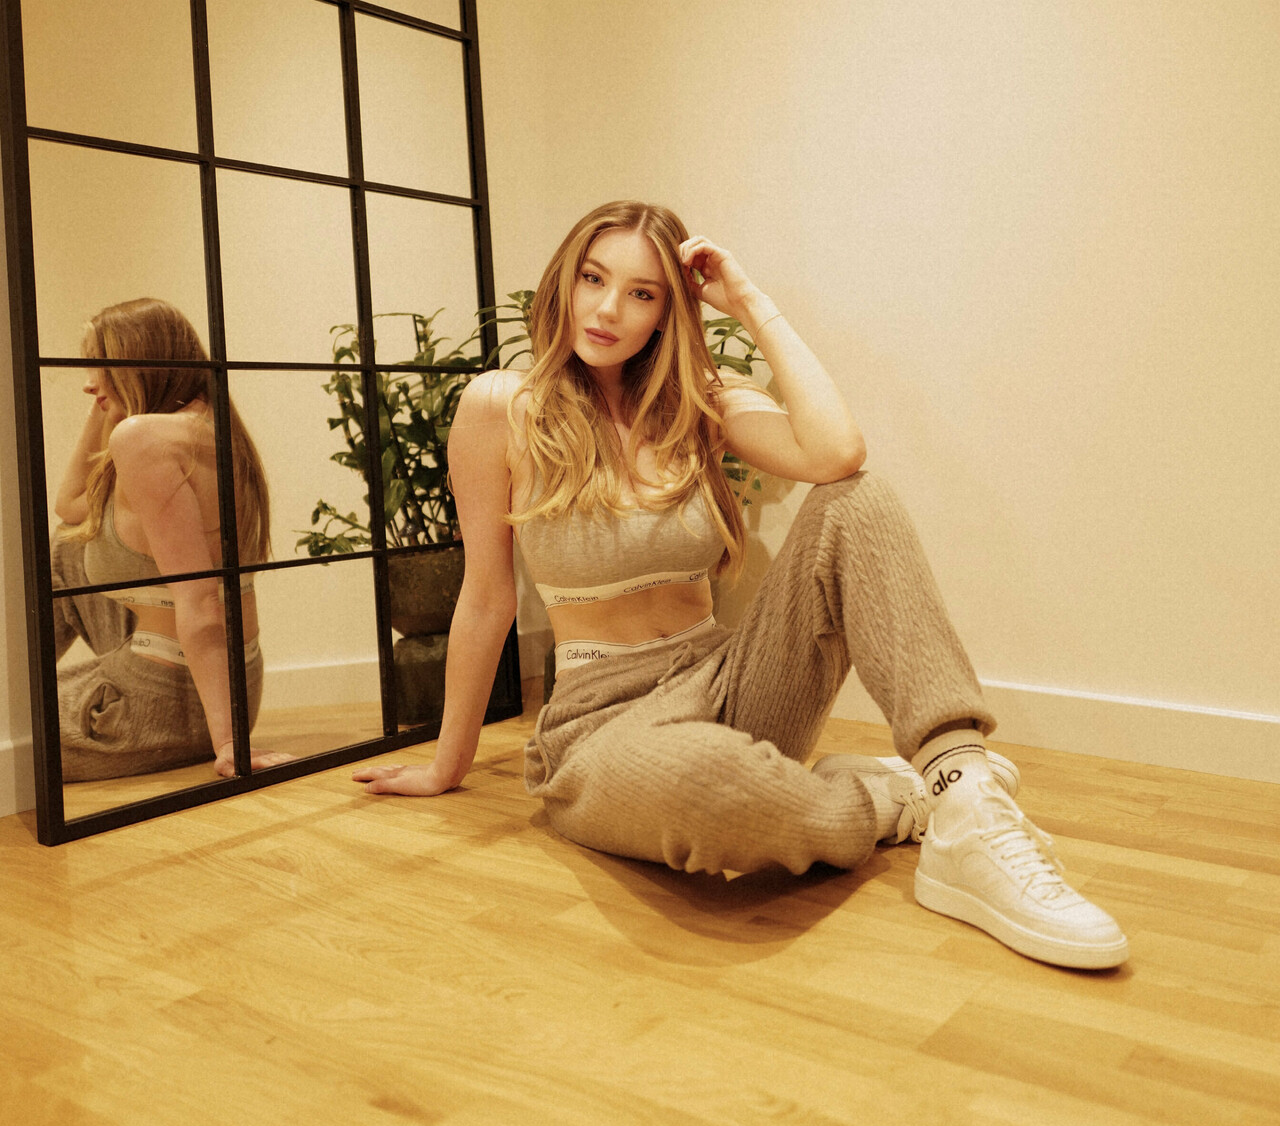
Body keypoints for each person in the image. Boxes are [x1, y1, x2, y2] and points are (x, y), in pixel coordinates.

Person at [353, 202, 1128, 970]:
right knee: (709, 787)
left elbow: (836, 455)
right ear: (565, 279)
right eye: (593, 278)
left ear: (669, 312)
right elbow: (486, 597)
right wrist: (446, 765)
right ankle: (892, 803)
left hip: (730, 679)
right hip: (602, 724)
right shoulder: (501, 408)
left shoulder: (698, 401)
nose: (608, 308)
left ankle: (964, 795)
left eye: (642, 293)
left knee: (855, 500)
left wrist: (751, 303)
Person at [52, 296, 293, 781]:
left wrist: (229, 744)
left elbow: (200, 598)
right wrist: (110, 399)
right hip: (226, 684)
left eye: (99, 365)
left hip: (160, 703)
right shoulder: (209, 425)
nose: (88, 383)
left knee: (13, 731)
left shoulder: (142, 439)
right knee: (66, 547)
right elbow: (71, 505)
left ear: (139, 363)